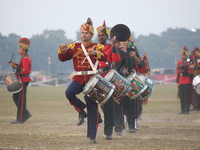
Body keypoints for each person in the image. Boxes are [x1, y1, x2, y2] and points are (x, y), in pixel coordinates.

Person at [58, 18, 107, 143]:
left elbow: (105, 57)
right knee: (69, 93)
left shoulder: (97, 46)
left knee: (93, 108)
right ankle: (81, 110)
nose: (83, 35)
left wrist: (95, 52)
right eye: (82, 33)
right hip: (79, 78)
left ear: (91, 35)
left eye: (86, 33)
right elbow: (63, 58)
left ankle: (92, 137)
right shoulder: (74, 46)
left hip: (92, 79)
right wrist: (62, 50)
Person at [96, 20, 121, 140]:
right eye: (99, 35)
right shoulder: (94, 48)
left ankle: (108, 132)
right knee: (100, 105)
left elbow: (116, 60)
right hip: (96, 79)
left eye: (103, 35)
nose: (100, 37)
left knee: (108, 107)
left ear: (107, 37)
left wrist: (114, 46)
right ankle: (108, 121)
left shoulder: (110, 48)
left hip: (107, 79)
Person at [114, 37, 143, 135]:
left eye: (125, 40)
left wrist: (134, 57)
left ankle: (132, 126)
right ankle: (119, 127)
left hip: (131, 80)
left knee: (131, 104)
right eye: (122, 41)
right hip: (120, 80)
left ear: (129, 41)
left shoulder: (133, 51)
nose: (123, 43)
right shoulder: (117, 52)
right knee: (119, 105)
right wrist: (124, 52)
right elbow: (117, 65)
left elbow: (140, 64)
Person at [8, 38, 32, 124]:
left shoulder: (25, 58)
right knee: (15, 97)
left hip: (24, 80)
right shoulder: (24, 58)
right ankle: (26, 113)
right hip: (22, 79)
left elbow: (24, 70)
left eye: (20, 49)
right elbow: (21, 68)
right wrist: (15, 65)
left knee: (21, 100)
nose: (19, 50)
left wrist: (15, 67)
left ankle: (21, 118)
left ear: (24, 50)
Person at [176, 46, 193, 114]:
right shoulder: (179, 62)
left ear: (186, 56)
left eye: (183, 55)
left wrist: (186, 72)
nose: (182, 56)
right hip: (181, 80)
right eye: (181, 55)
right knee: (182, 96)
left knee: (186, 96)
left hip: (186, 81)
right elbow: (177, 71)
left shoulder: (189, 63)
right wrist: (177, 80)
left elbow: (191, 71)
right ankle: (182, 110)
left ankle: (186, 110)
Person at [189, 47, 200, 111]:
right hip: (194, 78)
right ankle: (195, 106)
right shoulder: (193, 60)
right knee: (195, 93)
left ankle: (197, 106)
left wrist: (195, 67)